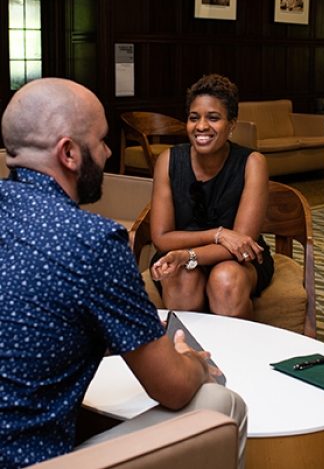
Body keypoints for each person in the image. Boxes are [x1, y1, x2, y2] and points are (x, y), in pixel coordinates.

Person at [0, 78, 247, 469]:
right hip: (28, 460)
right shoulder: (93, 242)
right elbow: (173, 389)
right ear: (69, 153)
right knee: (220, 403)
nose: (108, 151)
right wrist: (193, 362)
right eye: (100, 141)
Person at [150, 74, 274, 320]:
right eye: (194, 118)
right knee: (181, 279)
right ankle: (187, 356)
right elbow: (162, 239)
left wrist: (189, 255)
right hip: (177, 255)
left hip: (237, 261)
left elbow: (242, 245)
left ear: (232, 124)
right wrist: (218, 234)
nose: (201, 126)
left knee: (225, 279)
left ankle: (235, 357)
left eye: (213, 118)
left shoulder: (252, 162)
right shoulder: (168, 160)